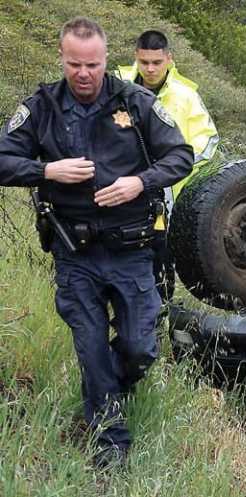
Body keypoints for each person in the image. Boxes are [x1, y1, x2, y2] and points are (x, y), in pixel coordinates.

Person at [0, 17, 193, 468]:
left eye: (92, 64)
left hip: (130, 249)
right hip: (76, 253)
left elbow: (180, 156)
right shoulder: (41, 107)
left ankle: (105, 390)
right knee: (90, 348)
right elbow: (3, 159)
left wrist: (139, 183)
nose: (83, 74)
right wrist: (46, 171)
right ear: (62, 60)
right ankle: (110, 444)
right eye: (74, 65)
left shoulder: (135, 101)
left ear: (107, 60)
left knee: (139, 348)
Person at [116, 30, 219, 300]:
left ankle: (158, 324)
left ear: (169, 59)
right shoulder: (115, 86)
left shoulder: (186, 96)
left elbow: (207, 141)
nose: (150, 69)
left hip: (163, 197)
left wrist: (174, 167)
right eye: (144, 62)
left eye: (157, 62)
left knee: (160, 264)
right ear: (136, 57)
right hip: (117, 192)